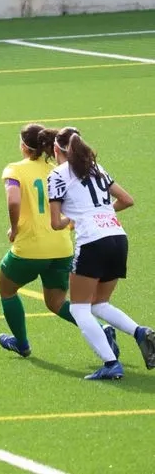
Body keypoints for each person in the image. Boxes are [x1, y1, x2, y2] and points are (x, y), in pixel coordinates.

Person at [0, 124, 117, 359]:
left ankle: (21, 344)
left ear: (23, 146)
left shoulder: (15, 170)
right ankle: (102, 331)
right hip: (62, 248)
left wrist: (14, 227)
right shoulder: (59, 169)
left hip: (30, 248)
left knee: (6, 289)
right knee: (56, 301)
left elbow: (13, 202)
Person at [47, 126, 155, 380]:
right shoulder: (97, 168)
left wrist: (71, 221)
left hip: (93, 242)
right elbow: (127, 199)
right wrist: (101, 215)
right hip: (118, 237)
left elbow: (54, 222)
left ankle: (111, 364)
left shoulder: (57, 175)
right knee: (99, 303)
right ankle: (140, 332)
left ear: (55, 150)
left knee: (79, 309)